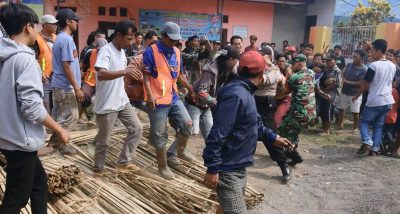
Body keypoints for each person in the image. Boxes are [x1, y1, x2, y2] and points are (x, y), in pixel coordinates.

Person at [203, 51, 292, 214]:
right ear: (262, 73)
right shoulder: (236, 95)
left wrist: (273, 137)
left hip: (238, 164)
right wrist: (213, 167)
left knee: (224, 208)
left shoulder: (245, 91)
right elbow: (218, 133)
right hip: (228, 168)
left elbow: (254, 124)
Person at [0, 3, 70, 213]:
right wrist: (59, 129)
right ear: (28, 27)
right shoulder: (24, 59)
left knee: (39, 185)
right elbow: (31, 108)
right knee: (15, 201)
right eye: (36, 26)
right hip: (21, 142)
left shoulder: (5, 56)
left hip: (9, 136)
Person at [143, 22, 197, 180]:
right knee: (160, 134)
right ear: (163, 36)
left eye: (176, 40)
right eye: (171, 39)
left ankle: (180, 149)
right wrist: (149, 94)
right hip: (157, 99)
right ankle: (162, 166)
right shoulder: (151, 51)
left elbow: (179, 75)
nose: (174, 43)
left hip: (173, 96)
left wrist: (190, 88)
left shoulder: (177, 52)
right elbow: (146, 75)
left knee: (187, 124)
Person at [92, 20, 143, 174]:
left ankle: (123, 161)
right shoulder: (106, 50)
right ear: (118, 35)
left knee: (137, 128)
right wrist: (125, 72)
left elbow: (123, 74)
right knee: (104, 142)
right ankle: (98, 169)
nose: (131, 42)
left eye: (132, 38)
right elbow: (101, 74)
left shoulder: (121, 52)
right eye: (128, 39)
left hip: (121, 100)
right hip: (107, 104)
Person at [185, 46, 240, 139]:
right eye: (236, 60)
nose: (237, 63)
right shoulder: (210, 71)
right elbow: (202, 93)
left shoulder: (230, 70)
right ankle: (172, 152)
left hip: (206, 106)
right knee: (190, 131)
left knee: (210, 135)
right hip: (194, 103)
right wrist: (217, 103)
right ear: (230, 59)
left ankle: (212, 153)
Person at [255, 47, 292, 183]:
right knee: (247, 132)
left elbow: (263, 80)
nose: (257, 57)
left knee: (270, 136)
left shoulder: (274, 70)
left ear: (269, 57)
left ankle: (284, 165)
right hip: (253, 100)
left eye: (261, 55)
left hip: (266, 103)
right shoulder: (256, 67)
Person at [353, 39, 396, 156]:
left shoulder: (373, 66)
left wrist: (357, 95)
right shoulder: (392, 65)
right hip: (388, 100)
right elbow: (392, 82)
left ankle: (367, 141)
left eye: (372, 51)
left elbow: (366, 84)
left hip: (375, 100)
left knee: (363, 122)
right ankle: (375, 149)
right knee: (379, 125)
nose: (371, 53)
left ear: (378, 50)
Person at [50, 8, 82, 155]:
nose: (77, 23)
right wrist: (76, 87)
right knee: (71, 116)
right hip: (65, 85)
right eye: (75, 20)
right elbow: (66, 65)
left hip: (59, 84)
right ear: (68, 22)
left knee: (62, 115)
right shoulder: (67, 39)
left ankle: (54, 143)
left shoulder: (59, 39)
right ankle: (60, 144)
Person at [279, 54, 316, 166]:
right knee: (294, 129)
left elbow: (285, 92)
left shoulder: (294, 77)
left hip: (299, 113)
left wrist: (287, 75)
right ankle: (293, 151)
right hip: (311, 113)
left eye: (293, 64)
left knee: (283, 128)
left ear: (299, 63)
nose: (292, 66)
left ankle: (292, 154)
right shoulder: (312, 73)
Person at [334, 50, 367, 133]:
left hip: (355, 93)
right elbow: (343, 74)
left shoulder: (364, 69)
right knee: (341, 109)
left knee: (355, 112)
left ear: (362, 58)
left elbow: (361, 83)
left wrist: (347, 81)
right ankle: (340, 124)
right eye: (353, 56)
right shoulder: (349, 65)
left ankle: (355, 128)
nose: (354, 58)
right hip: (344, 91)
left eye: (356, 57)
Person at [78, 38, 108, 126]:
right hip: (90, 80)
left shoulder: (110, 54)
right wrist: (78, 72)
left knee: (101, 99)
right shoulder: (91, 53)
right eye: (99, 49)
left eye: (102, 48)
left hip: (103, 81)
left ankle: (94, 119)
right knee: (84, 95)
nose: (100, 50)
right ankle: (82, 117)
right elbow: (83, 64)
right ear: (96, 47)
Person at [34, 14, 58, 114]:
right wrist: (40, 71)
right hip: (44, 75)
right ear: (44, 25)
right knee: (45, 100)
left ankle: (54, 122)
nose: (55, 26)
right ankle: (46, 124)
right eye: (52, 24)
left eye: (55, 24)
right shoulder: (36, 38)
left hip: (57, 73)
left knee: (56, 99)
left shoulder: (56, 37)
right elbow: (33, 57)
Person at [319, 57, 342, 135]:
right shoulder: (326, 70)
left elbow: (338, 84)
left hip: (332, 94)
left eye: (330, 62)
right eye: (328, 62)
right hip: (324, 93)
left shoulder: (337, 71)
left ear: (335, 62)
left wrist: (326, 89)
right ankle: (323, 128)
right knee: (323, 111)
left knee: (328, 112)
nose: (329, 63)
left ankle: (326, 130)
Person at [274, 54, 292, 129]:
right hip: (275, 98)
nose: (282, 63)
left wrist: (288, 74)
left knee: (277, 119)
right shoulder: (274, 69)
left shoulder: (289, 70)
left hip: (286, 97)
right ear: (276, 61)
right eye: (280, 61)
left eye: (283, 61)